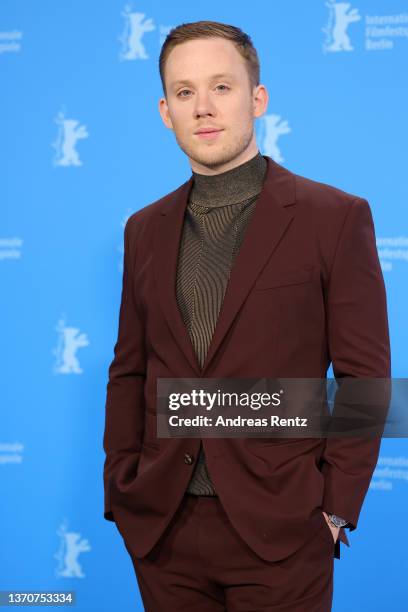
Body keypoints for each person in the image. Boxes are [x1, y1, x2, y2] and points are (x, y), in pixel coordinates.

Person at [103, 20, 390, 611]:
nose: (203, 108)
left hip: (283, 530)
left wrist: (334, 509)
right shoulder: (143, 230)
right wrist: (121, 489)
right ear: (165, 111)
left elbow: (366, 381)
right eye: (185, 93)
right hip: (164, 531)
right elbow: (129, 371)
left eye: (221, 87)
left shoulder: (333, 217)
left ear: (257, 98)